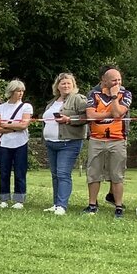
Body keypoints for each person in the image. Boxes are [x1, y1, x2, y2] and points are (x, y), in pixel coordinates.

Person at [84, 68, 132, 218]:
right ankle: (92, 205)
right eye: (114, 80)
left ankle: (118, 206)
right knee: (94, 173)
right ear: (104, 80)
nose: (117, 83)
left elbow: (118, 113)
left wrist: (113, 97)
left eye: (119, 80)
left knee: (117, 174)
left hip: (117, 139)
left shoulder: (126, 94)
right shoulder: (93, 94)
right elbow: (91, 116)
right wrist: (110, 114)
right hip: (96, 139)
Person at [42, 72, 88, 215]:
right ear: (58, 86)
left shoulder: (78, 99)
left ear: (73, 85)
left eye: (69, 83)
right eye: (63, 83)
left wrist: (68, 119)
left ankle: (62, 205)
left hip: (69, 142)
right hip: (51, 143)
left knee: (63, 173)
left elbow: (87, 117)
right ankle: (56, 204)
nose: (66, 85)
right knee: (55, 174)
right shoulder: (52, 102)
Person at [0, 80, 32, 208]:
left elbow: (24, 124)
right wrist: (15, 126)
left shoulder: (26, 107)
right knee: (4, 171)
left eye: (22, 91)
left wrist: (7, 125)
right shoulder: (0, 108)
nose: (20, 93)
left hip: (21, 142)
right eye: (18, 91)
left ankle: (19, 199)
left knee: (20, 171)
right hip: (5, 143)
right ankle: (3, 198)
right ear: (11, 92)